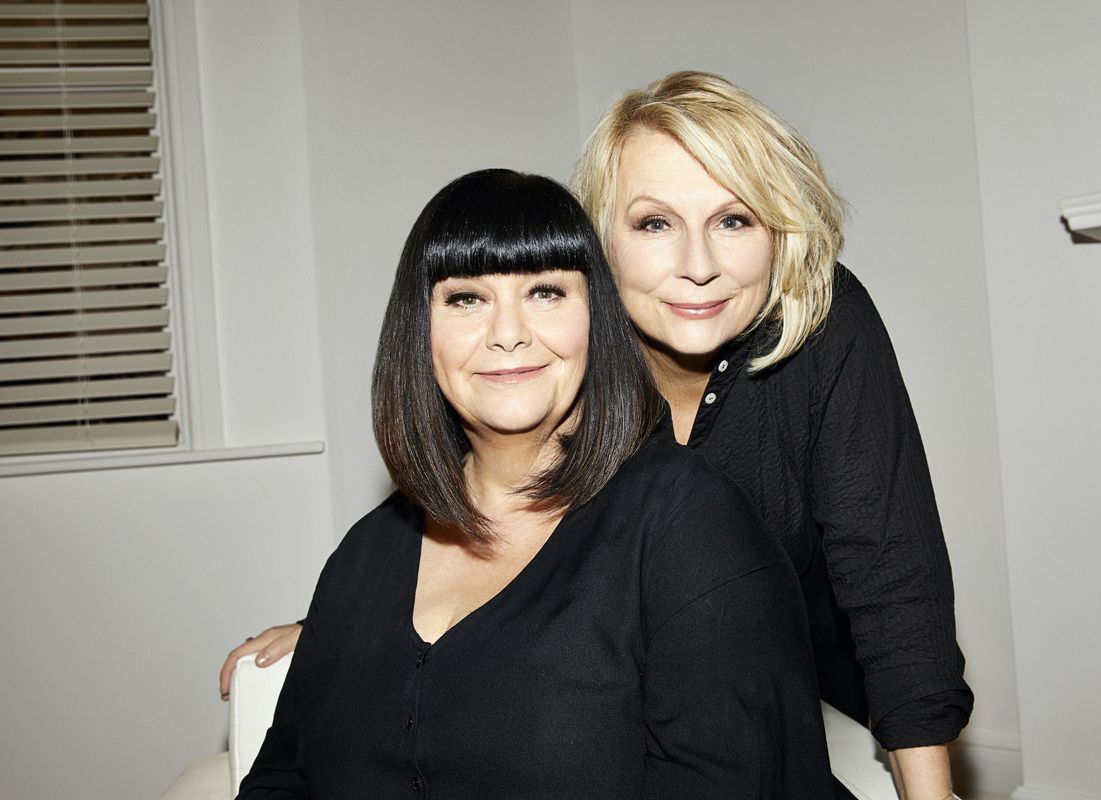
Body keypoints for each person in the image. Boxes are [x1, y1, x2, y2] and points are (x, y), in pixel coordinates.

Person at [227, 72, 973, 800]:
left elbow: (891, 576)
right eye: (655, 223)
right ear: (598, 248)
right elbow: (498, 527)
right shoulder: (561, 357)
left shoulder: (822, 324)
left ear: (778, 234)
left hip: (798, 674)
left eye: (734, 219)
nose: (699, 266)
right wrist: (357, 627)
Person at [235, 169, 834, 799]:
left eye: (546, 292)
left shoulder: (688, 527)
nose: (508, 332)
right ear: (420, 331)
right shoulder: (363, 556)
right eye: (467, 298)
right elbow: (283, 777)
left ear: (596, 322)